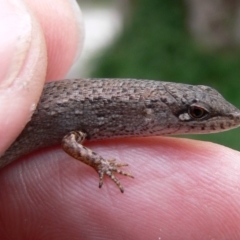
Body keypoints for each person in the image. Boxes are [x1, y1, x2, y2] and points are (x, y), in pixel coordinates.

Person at [0, 1, 240, 239]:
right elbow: (70, 143)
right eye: (197, 113)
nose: (232, 117)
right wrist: (100, 164)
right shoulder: (92, 114)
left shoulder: (112, 113)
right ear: (150, 112)